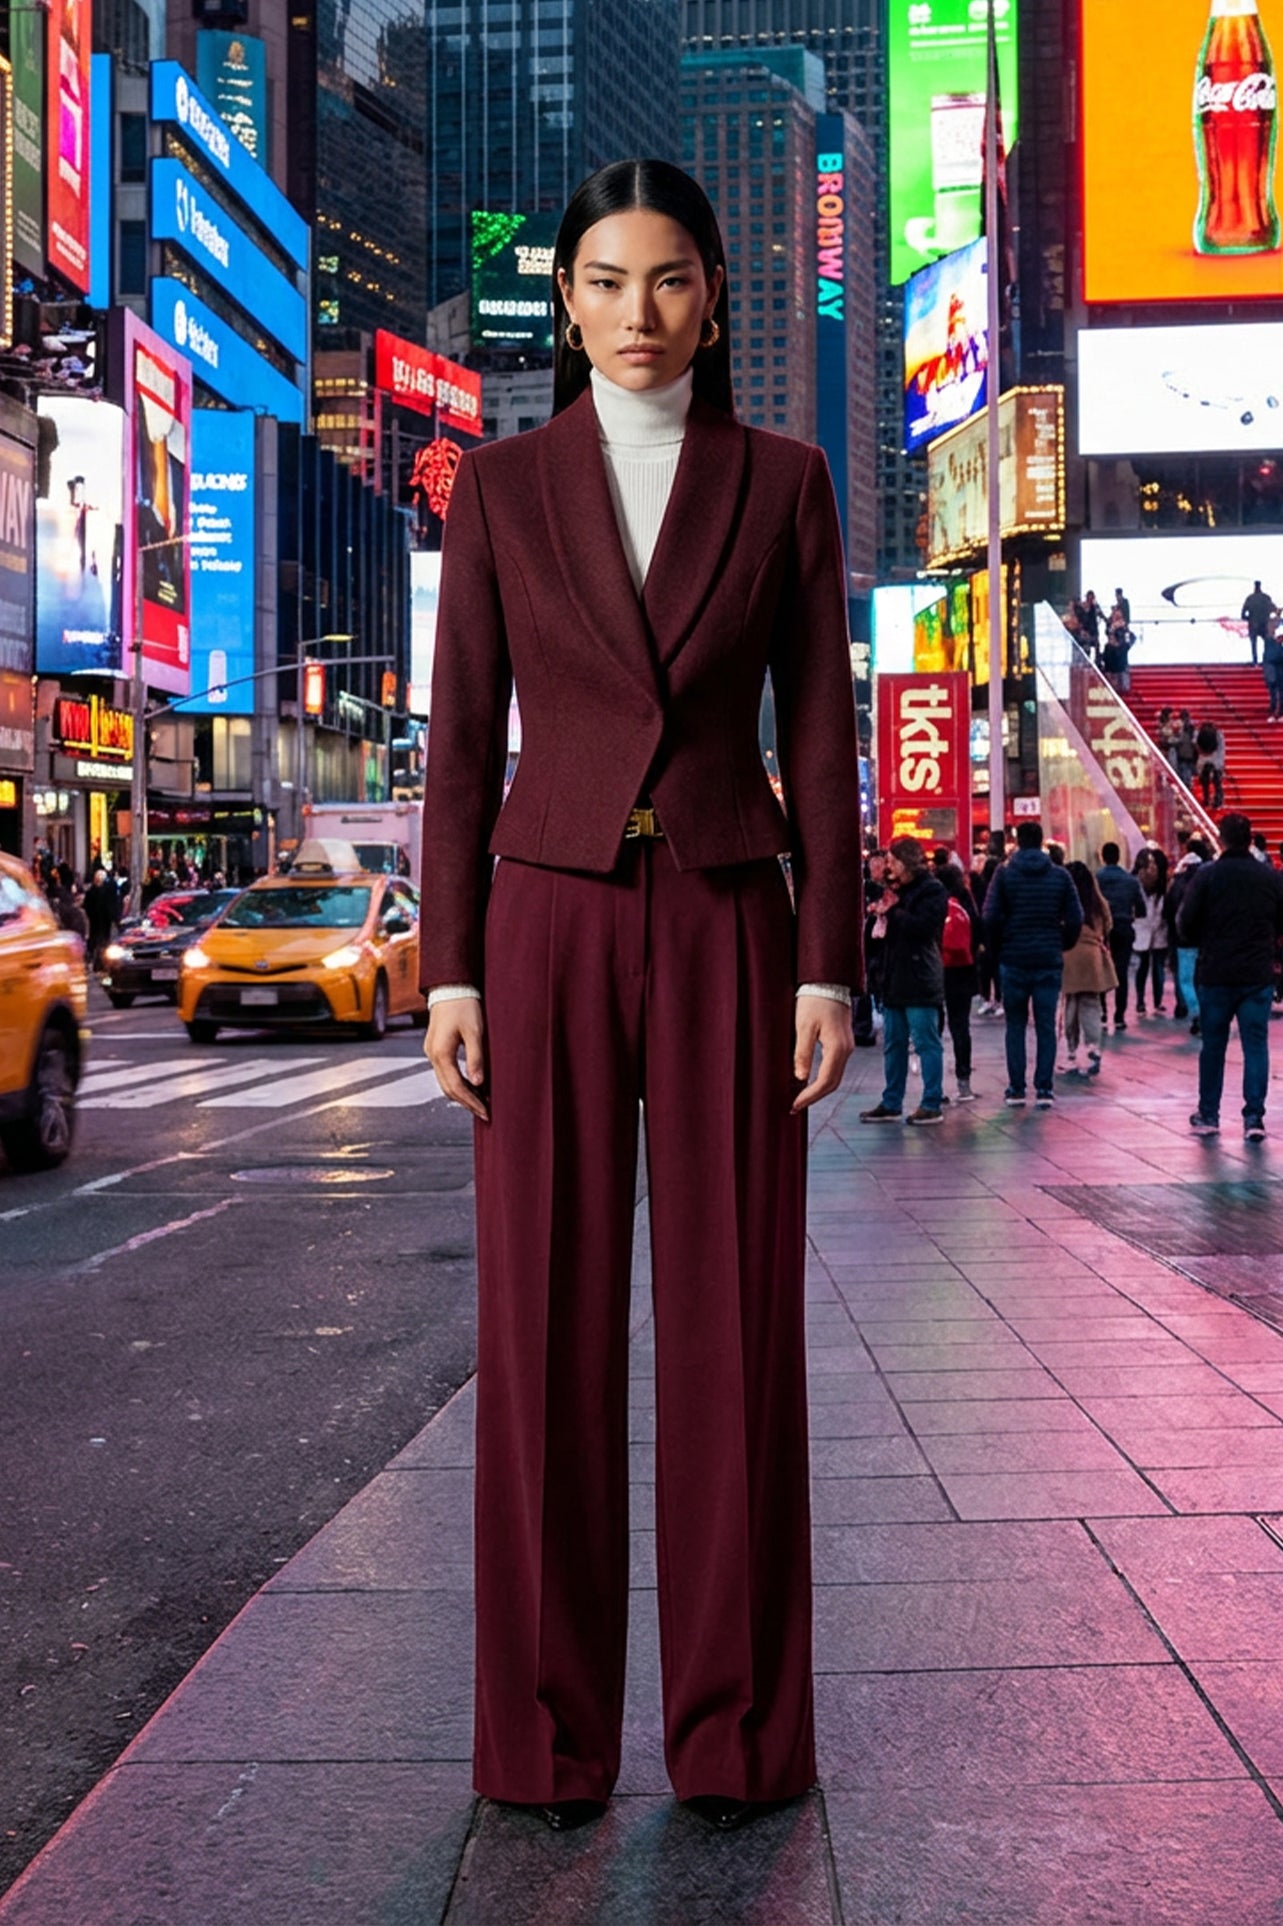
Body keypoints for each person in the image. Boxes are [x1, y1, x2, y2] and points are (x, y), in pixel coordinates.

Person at [419, 161, 862, 1835]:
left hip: (733, 916)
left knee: (734, 1325)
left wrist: (830, 959)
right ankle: (541, 1742)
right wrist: (444, 962)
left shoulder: (786, 482)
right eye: (601, 282)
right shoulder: (500, 487)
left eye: (668, 280)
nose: (633, 314)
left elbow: (817, 732)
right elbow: (460, 741)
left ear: (717, 296)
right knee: (538, 1324)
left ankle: (736, 1734)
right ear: (565, 301)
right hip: (540, 918)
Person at [1177, 812, 1283, 1139]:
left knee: (1213, 1045)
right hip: (1256, 972)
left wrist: (1202, 941)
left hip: (1216, 972)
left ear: (1220, 839)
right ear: (1250, 839)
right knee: (1255, 1044)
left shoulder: (1207, 876)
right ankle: (1254, 1118)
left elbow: (1185, 922)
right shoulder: (1269, 877)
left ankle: (1209, 1114)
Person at [984, 820, 1083, 1107]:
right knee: (1045, 1025)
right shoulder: (1060, 876)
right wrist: (1061, 942)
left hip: (1013, 959)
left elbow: (989, 916)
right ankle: (1044, 1088)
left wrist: (999, 945)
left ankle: (1016, 1088)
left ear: (1017, 841)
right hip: (1048, 959)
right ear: (1041, 842)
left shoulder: (1003, 875)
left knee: (1014, 1024)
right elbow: (1076, 917)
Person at [859, 837, 947, 1125]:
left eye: (894, 861)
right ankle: (891, 1100)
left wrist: (892, 912)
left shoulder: (931, 890)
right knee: (893, 1043)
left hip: (919, 978)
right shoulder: (891, 889)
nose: (889, 866)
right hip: (893, 977)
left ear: (907, 862)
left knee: (925, 1041)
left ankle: (931, 1101)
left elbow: (924, 928)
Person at [1059, 861, 1115, 1077]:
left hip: (1069, 952)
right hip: (1092, 956)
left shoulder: (1065, 900)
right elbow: (1109, 924)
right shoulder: (1097, 902)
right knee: (1091, 1003)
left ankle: (1072, 1053)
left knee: (1070, 1004)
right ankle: (1093, 1045)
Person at [935, 856, 980, 1102]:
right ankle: (964, 1084)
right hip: (963, 972)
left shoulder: (936, 902)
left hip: (938, 971)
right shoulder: (966, 901)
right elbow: (979, 929)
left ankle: (936, 1087)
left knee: (935, 1029)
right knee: (961, 1027)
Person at [1095, 842, 1146, 1030]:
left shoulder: (1097, 879)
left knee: (1101, 970)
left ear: (1103, 857)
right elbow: (1141, 909)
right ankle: (1119, 1015)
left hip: (1102, 931)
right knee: (1121, 972)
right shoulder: (1130, 881)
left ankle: (1102, 1013)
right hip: (1124, 928)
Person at [1166, 835, 1213, 1035]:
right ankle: (1206, 1013)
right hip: (1205, 939)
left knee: (1186, 979)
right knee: (1203, 979)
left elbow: (1169, 910)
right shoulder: (1208, 881)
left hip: (1183, 940)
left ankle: (1196, 1013)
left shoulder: (1178, 883)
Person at [1132, 848, 1169, 1016]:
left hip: (1160, 928)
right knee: (1142, 966)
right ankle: (1140, 1001)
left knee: (1158, 967)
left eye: (1154, 863)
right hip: (1142, 929)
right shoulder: (1135, 883)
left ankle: (1158, 1000)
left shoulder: (1163, 883)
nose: (1152, 867)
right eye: (1149, 863)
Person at [1241, 580, 1276, 668]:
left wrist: (1249, 619)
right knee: (1267, 643)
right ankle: (1266, 660)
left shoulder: (1250, 598)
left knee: (1254, 644)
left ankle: (1255, 661)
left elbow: (1243, 614)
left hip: (1253, 625)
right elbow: (1274, 609)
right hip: (1264, 625)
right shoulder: (1266, 598)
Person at [1195, 718, 1225, 810]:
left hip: (1204, 760)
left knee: (1206, 782)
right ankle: (1217, 800)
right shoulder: (1218, 735)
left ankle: (1207, 799)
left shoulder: (1199, 734)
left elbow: (1196, 744)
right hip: (1216, 760)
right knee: (1217, 782)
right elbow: (1221, 749)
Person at [1173, 711, 1199, 790]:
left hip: (1183, 753)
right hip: (1190, 753)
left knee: (1184, 768)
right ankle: (1187, 783)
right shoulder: (1193, 730)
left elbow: (1176, 740)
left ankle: (1186, 784)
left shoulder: (1180, 729)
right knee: (1187, 769)